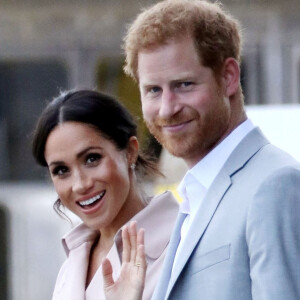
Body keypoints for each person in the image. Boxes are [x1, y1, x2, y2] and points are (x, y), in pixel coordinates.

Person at [111, 0, 300, 299]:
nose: (167, 109)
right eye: (153, 90)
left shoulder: (275, 185)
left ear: (228, 77)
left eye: (184, 84)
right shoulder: (194, 193)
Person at [31, 89, 179, 300]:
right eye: (61, 171)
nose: (80, 185)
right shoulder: (72, 265)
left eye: (92, 159)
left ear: (130, 151)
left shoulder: (183, 244)